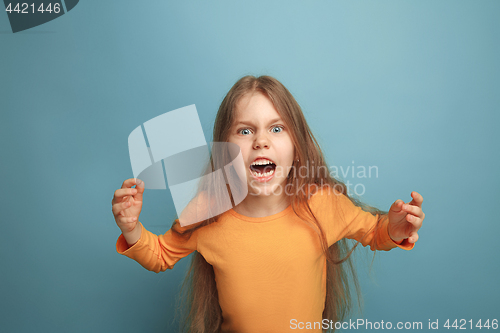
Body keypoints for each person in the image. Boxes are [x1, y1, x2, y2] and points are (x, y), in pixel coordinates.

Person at [111, 75, 425, 333]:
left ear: (297, 147)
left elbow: (375, 232)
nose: (261, 141)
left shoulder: (322, 204)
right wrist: (132, 228)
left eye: (277, 128)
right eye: (245, 131)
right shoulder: (207, 210)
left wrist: (395, 227)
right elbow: (161, 254)